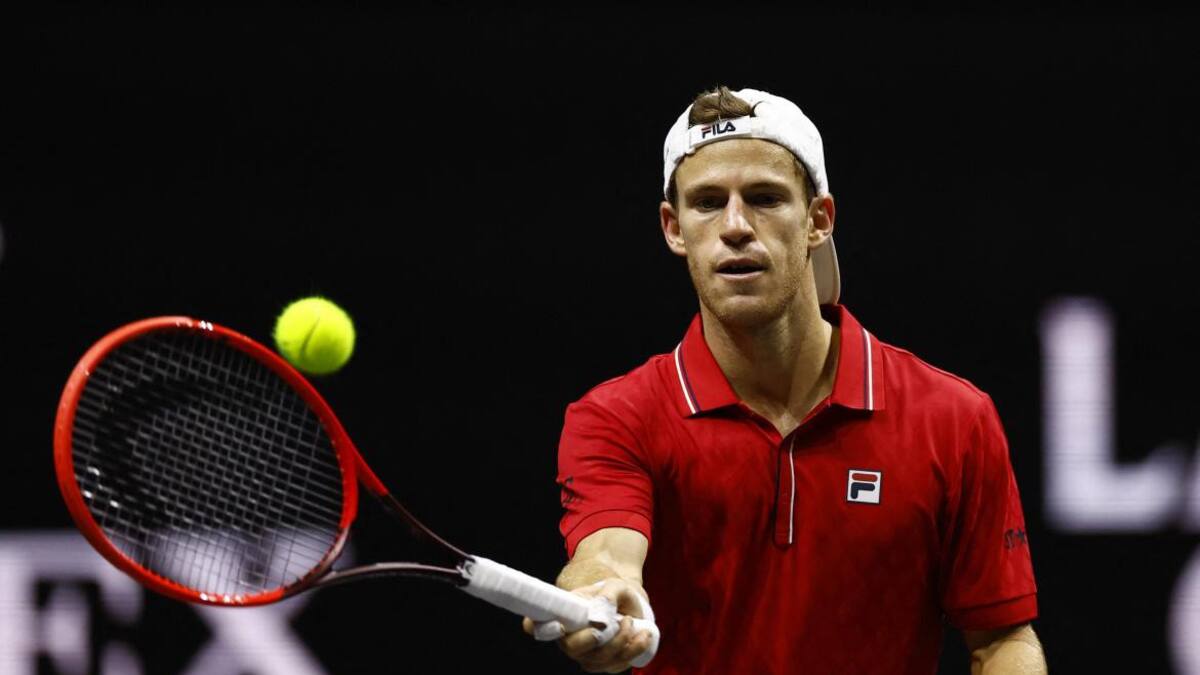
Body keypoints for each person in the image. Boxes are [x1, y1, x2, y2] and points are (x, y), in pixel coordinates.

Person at [523, 86, 1046, 674]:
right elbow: (607, 561)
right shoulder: (615, 418)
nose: (736, 226)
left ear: (819, 220)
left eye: (766, 198)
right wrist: (601, 592)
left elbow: (1002, 640)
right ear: (673, 229)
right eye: (707, 203)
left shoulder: (952, 417)